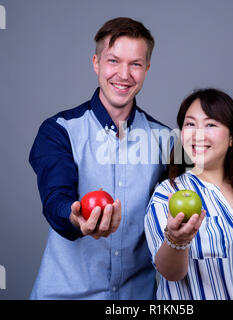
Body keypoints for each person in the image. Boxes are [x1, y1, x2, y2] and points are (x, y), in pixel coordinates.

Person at [29, 17, 172, 299]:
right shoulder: (59, 131)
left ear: (147, 69)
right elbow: (56, 197)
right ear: (96, 63)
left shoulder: (166, 140)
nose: (124, 74)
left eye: (135, 64)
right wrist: (74, 217)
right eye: (113, 61)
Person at [144, 88, 233, 300]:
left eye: (210, 124)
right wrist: (177, 240)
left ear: (231, 138)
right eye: (190, 124)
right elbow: (170, 273)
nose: (198, 134)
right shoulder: (167, 195)